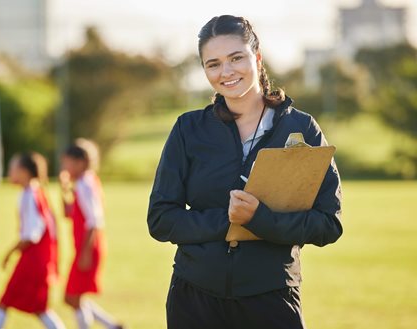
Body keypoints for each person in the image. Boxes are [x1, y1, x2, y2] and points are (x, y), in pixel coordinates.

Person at [147, 15, 343, 329]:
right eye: (213, 64)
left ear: (257, 57)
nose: (226, 72)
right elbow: (160, 219)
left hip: (272, 298)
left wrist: (260, 220)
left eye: (236, 58)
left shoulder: (301, 128)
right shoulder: (188, 129)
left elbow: (328, 223)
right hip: (194, 300)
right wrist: (227, 218)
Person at [0, 153, 65, 329]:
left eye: (12, 169)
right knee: (38, 308)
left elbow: (32, 234)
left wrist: (10, 252)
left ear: (24, 172)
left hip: (34, 259)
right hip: (38, 258)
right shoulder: (34, 192)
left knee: (6, 301)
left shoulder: (31, 195)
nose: (10, 173)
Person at [59, 139, 123, 329]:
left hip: (89, 247)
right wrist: (64, 190)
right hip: (84, 247)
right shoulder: (81, 183)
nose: (64, 167)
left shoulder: (85, 184)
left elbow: (95, 220)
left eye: (67, 163)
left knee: (71, 297)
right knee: (74, 297)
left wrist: (85, 252)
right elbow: (68, 213)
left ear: (80, 163)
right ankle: (112, 326)